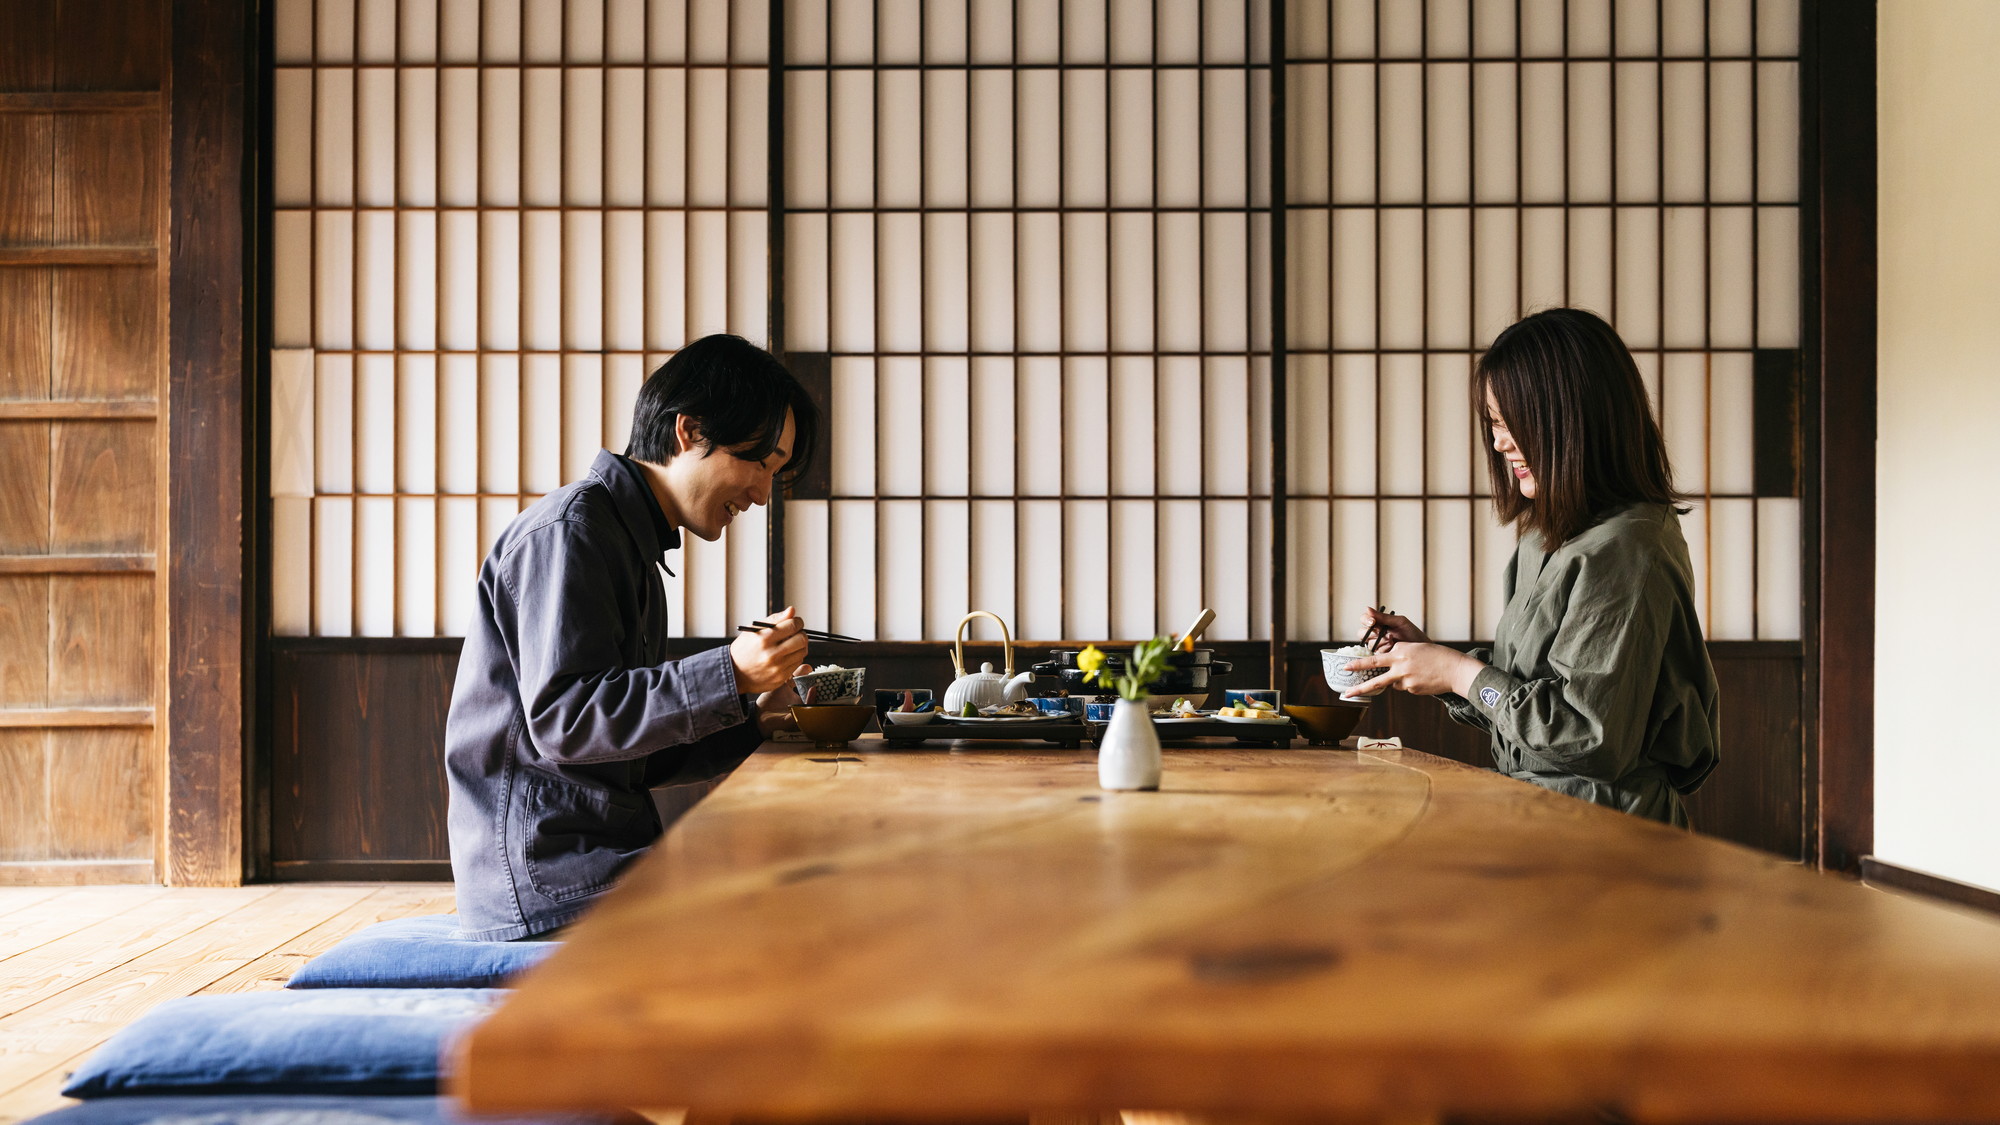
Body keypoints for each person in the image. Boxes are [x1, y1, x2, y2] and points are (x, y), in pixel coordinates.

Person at [445, 334, 821, 940]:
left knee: (805, 881)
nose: (760, 494)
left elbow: (632, 751)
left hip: (593, 858)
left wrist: (758, 718)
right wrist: (729, 672)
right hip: (548, 878)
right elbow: (567, 722)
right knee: (794, 910)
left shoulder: (627, 542)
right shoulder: (572, 533)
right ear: (688, 431)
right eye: (759, 462)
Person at [1342, 308, 1719, 825]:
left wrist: (1457, 672)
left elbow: (1587, 736)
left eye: (1510, 422)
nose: (1498, 443)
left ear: (1570, 418)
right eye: (1494, 424)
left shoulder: (1627, 548)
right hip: (1538, 812)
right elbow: (1526, 703)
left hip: (1605, 829)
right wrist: (1431, 658)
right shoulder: (1547, 535)